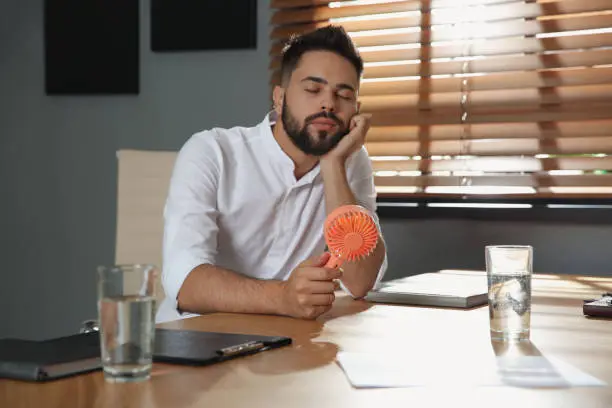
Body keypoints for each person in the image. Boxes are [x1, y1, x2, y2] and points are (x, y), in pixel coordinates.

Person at [156, 25, 388, 323]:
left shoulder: (349, 161)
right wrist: (283, 296)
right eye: (313, 90)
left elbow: (360, 282)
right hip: (198, 337)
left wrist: (333, 165)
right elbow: (184, 282)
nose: (328, 104)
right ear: (279, 99)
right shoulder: (211, 151)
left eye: (343, 95)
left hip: (290, 345)